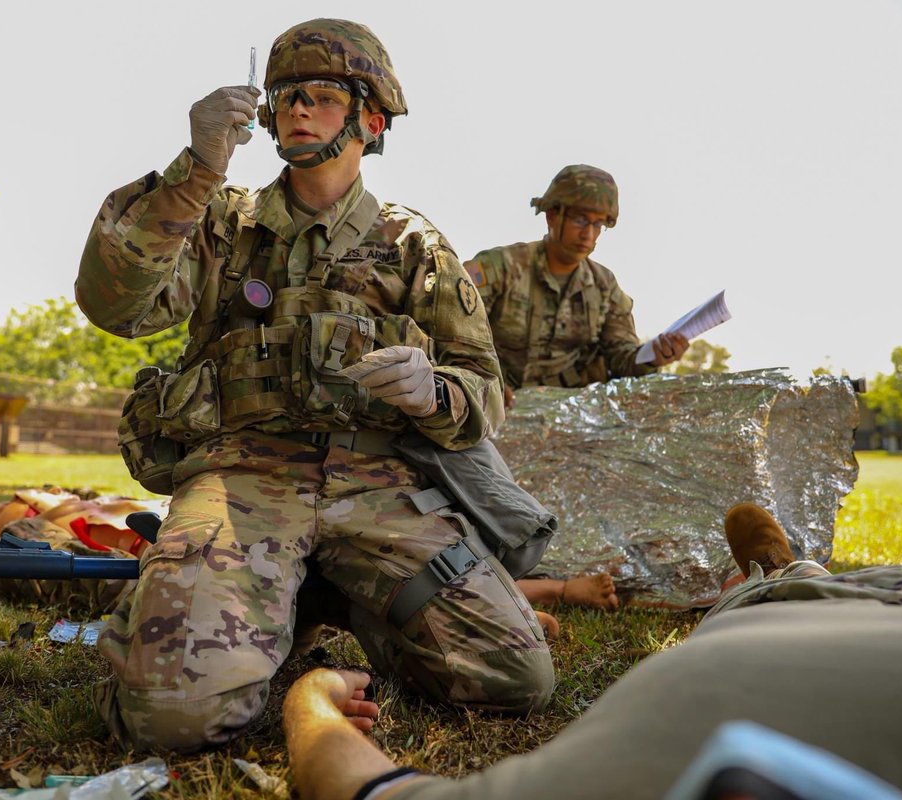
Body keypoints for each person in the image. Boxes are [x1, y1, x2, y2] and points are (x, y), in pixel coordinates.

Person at [75, 18, 553, 752]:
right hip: (241, 479)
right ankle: (213, 610)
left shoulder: (412, 243)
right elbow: (114, 303)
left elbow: (483, 388)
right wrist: (195, 166)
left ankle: (335, 601)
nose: (297, 109)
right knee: (174, 719)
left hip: (380, 488)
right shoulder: (221, 222)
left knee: (513, 678)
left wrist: (434, 391)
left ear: (369, 117)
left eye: (322, 95)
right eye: (286, 96)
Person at [283, 504, 902, 800]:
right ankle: (777, 577)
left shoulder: (671, 752)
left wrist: (309, 696)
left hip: (736, 673)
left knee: (766, 615)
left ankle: (768, 582)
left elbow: (360, 787)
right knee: (816, 598)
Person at [464, 165, 690, 409]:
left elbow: (622, 358)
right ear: (552, 216)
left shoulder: (605, 286)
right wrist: (485, 378)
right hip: (494, 405)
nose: (588, 234)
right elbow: (455, 330)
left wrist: (653, 355)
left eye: (598, 225)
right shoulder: (500, 267)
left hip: (572, 417)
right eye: (580, 220)